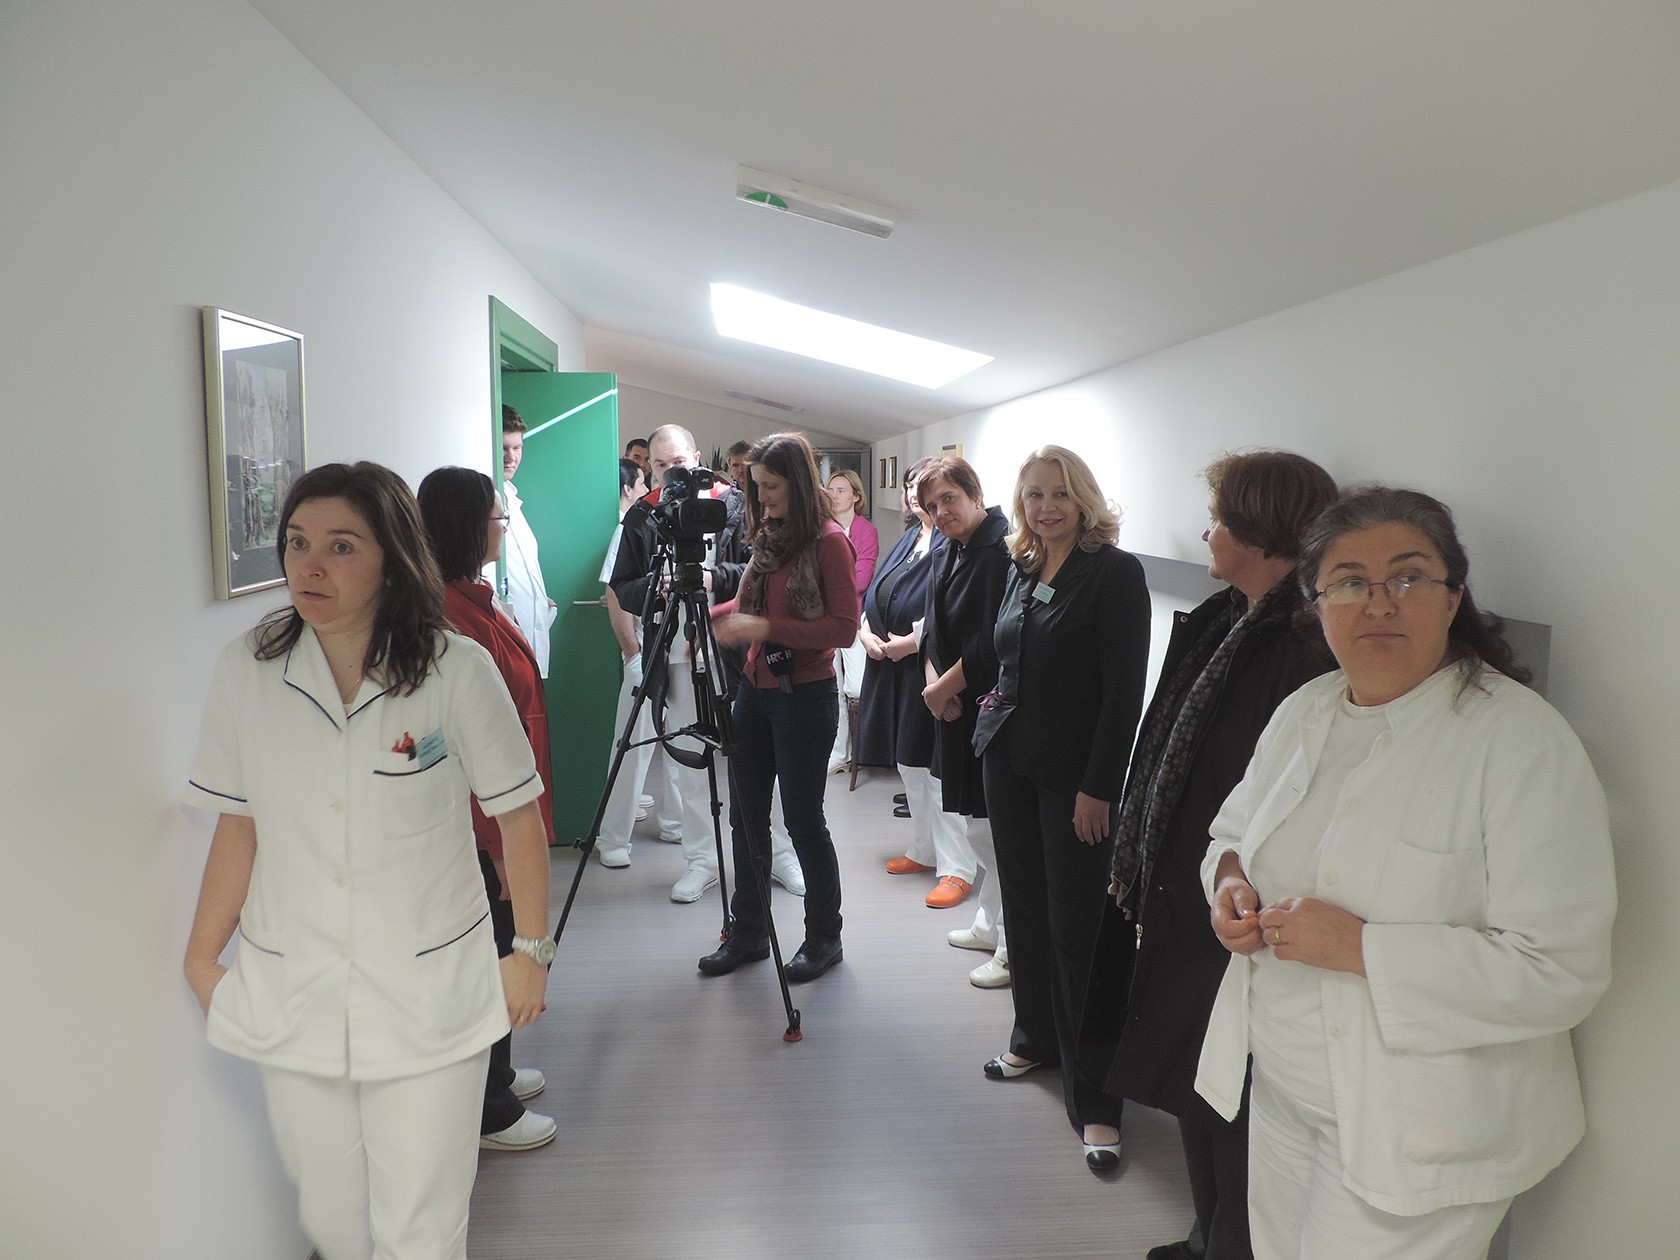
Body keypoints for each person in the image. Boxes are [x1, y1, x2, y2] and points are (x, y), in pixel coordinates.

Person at [1198, 487, 1615, 1260]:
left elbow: (1560, 969)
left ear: (1452, 597)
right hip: (1284, 1095)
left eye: (1409, 576)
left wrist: (1361, 947)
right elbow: (1231, 833)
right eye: (1350, 581)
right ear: (1317, 603)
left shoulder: (1520, 742)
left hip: (1421, 1132)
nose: (1380, 602)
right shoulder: (1304, 712)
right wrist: (1229, 886)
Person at [182, 462, 552, 1260]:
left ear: (392, 557)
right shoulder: (248, 669)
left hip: (431, 988)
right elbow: (239, 825)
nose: (309, 566)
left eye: (340, 546)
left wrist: (529, 952)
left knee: (421, 1224)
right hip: (296, 986)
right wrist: (202, 958)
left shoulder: (455, 670)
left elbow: (518, 820)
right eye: (297, 543)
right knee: (332, 1219)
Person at [1095, 451, 1337, 1260]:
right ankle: (1206, 1237)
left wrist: (1225, 877)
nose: (1208, 533)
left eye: (1220, 519)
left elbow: (1276, 797)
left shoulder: (1302, 645)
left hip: (1241, 905)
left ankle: (1228, 1244)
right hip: (1193, 886)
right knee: (1198, 1085)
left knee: (1233, 1102)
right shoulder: (1228, 618)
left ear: (1262, 533)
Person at [972, 445, 1150, 1172]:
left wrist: (1099, 786)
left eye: (1059, 494)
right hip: (1010, 763)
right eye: (1033, 495)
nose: (1045, 508)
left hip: (1075, 781)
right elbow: (1010, 660)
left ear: (1083, 499)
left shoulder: (1114, 572)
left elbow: (1123, 691)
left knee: (1081, 933)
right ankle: (1036, 1039)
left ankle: (1097, 1098)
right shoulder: (1022, 566)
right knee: (1025, 909)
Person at [417, 466, 561, 1154]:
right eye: (496, 517)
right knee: (491, 955)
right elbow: (456, 744)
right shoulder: (445, 615)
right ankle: (487, 1111)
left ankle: (495, 1074)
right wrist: (503, 850)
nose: (503, 526)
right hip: (481, 823)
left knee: (497, 946)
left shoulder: (473, 595)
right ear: (468, 527)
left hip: (503, 806)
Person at [605, 425, 803, 901]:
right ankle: (702, 861)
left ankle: (780, 856)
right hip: (675, 657)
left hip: (740, 653)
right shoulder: (645, 514)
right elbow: (622, 584)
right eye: (660, 465)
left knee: (760, 762)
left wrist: (712, 579)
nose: (672, 473)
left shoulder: (738, 504)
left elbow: (766, 569)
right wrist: (659, 586)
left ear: (696, 457)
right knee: (690, 766)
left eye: (679, 462)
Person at [700, 432, 860, 983]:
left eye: (770, 486)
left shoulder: (829, 542)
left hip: (805, 697)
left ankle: (824, 938)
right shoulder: (771, 536)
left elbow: (843, 629)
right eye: (757, 487)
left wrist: (762, 628)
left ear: (798, 482)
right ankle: (748, 933)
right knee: (746, 818)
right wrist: (707, 611)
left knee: (803, 820)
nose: (761, 497)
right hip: (755, 691)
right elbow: (751, 603)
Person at [918, 457, 1012, 952]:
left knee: (994, 832)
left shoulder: (999, 552)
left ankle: (1009, 943)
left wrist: (942, 691)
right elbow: (931, 627)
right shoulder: (949, 548)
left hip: (985, 706)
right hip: (952, 703)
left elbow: (991, 643)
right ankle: (989, 922)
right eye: (932, 506)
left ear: (976, 495)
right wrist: (934, 687)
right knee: (976, 827)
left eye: (949, 499)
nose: (941, 513)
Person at [824, 466, 880, 774]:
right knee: (830, 686)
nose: (834, 495)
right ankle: (838, 751)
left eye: (841, 490)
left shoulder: (865, 530)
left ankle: (865, 750)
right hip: (823, 618)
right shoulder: (822, 527)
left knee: (856, 687)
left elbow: (862, 579)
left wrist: (826, 585)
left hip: (854, 618)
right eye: (831, 489)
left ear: (856, 496)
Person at [498, 405, 557, 676]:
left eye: (517, 447)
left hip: (529, 641)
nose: (511, 457)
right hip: (504, 644)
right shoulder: (483, 500)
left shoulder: (511, 498)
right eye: (504, 448)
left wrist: (538, 599)